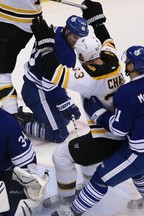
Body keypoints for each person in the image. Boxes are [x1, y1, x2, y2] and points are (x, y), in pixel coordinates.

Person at [29, 0, 127, 208]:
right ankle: (89, 184)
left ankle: (67, 198)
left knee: (62, 156)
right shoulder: (115, 59)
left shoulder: (89, 79)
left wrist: (46, 46)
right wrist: (98, 22)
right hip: (122, 130)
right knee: (86, 153)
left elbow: (55, 74)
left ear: (83, 56)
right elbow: (107, 38)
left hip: (107, 137)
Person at [51, 45, 144, 216]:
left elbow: (119, 129)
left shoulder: (127, 92)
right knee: (138, 173)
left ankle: (73, 212)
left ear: (133, 66)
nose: (126, 66)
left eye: (129, 63)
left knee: (101, 179)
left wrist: (98, 113)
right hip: (137, 148)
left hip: (139, 153)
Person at [20, 15, 88, 143]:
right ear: (67, 31)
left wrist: (64, 102)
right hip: (36, 91)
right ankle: (20, 121)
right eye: (75, 37)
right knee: (59, 134)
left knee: (64, 120)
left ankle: (38, 117)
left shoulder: (55, 30)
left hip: (37, 86)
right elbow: (49, 84)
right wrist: (65, 102)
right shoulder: (66, 53)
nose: (77, 41)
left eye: (80, 38)